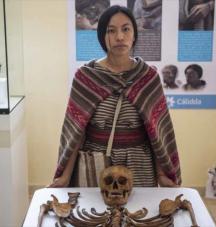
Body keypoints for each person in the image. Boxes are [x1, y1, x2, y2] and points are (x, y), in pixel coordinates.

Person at [49, 5, 181, 188]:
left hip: (139, 166)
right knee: (95, 215)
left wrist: (161, 175)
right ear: (103, 36)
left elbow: (156, 133)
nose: (120, 37)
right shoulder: (86, 77)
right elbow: (76, 134)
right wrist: (65, 177)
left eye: (126, 29)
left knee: (139, 215)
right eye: (111, 31)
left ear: (134, 34)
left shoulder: (148, 78)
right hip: (96, 164)